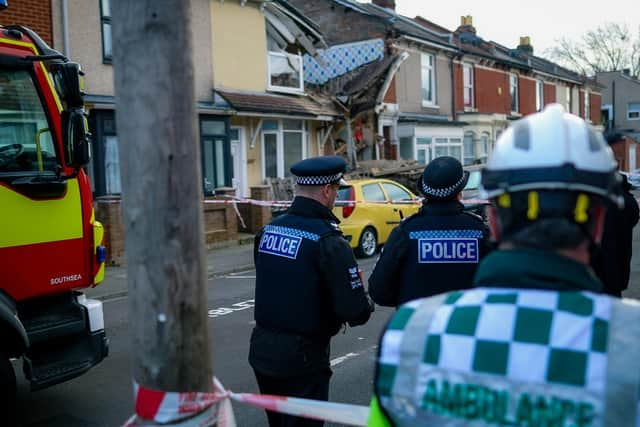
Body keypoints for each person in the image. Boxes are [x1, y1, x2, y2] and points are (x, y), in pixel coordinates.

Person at [367, 104, 640, 426]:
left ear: (494, 220)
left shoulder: (408, 336)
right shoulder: (630, 342)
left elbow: (381, 290)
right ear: (599, 224)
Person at [249, 155, 374, 427]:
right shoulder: (328, 239)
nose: (337, 198)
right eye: (337, 191)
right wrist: (365, 301)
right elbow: (354, 311)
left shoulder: (268, 230)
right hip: (303, 359)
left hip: (262, 351)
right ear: (327, 190)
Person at [368, 156, 492, 307]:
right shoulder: (479, 231)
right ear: (459, 193)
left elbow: (379, 291)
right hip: (465, 326)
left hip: (416, 325)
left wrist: (406, 299)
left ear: (425, 194)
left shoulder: (406, 232)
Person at [590, 132, 639, 296]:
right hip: (607, 274)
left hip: (601, 274)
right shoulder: (613, 193)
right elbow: (631, 213)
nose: (620, 149)